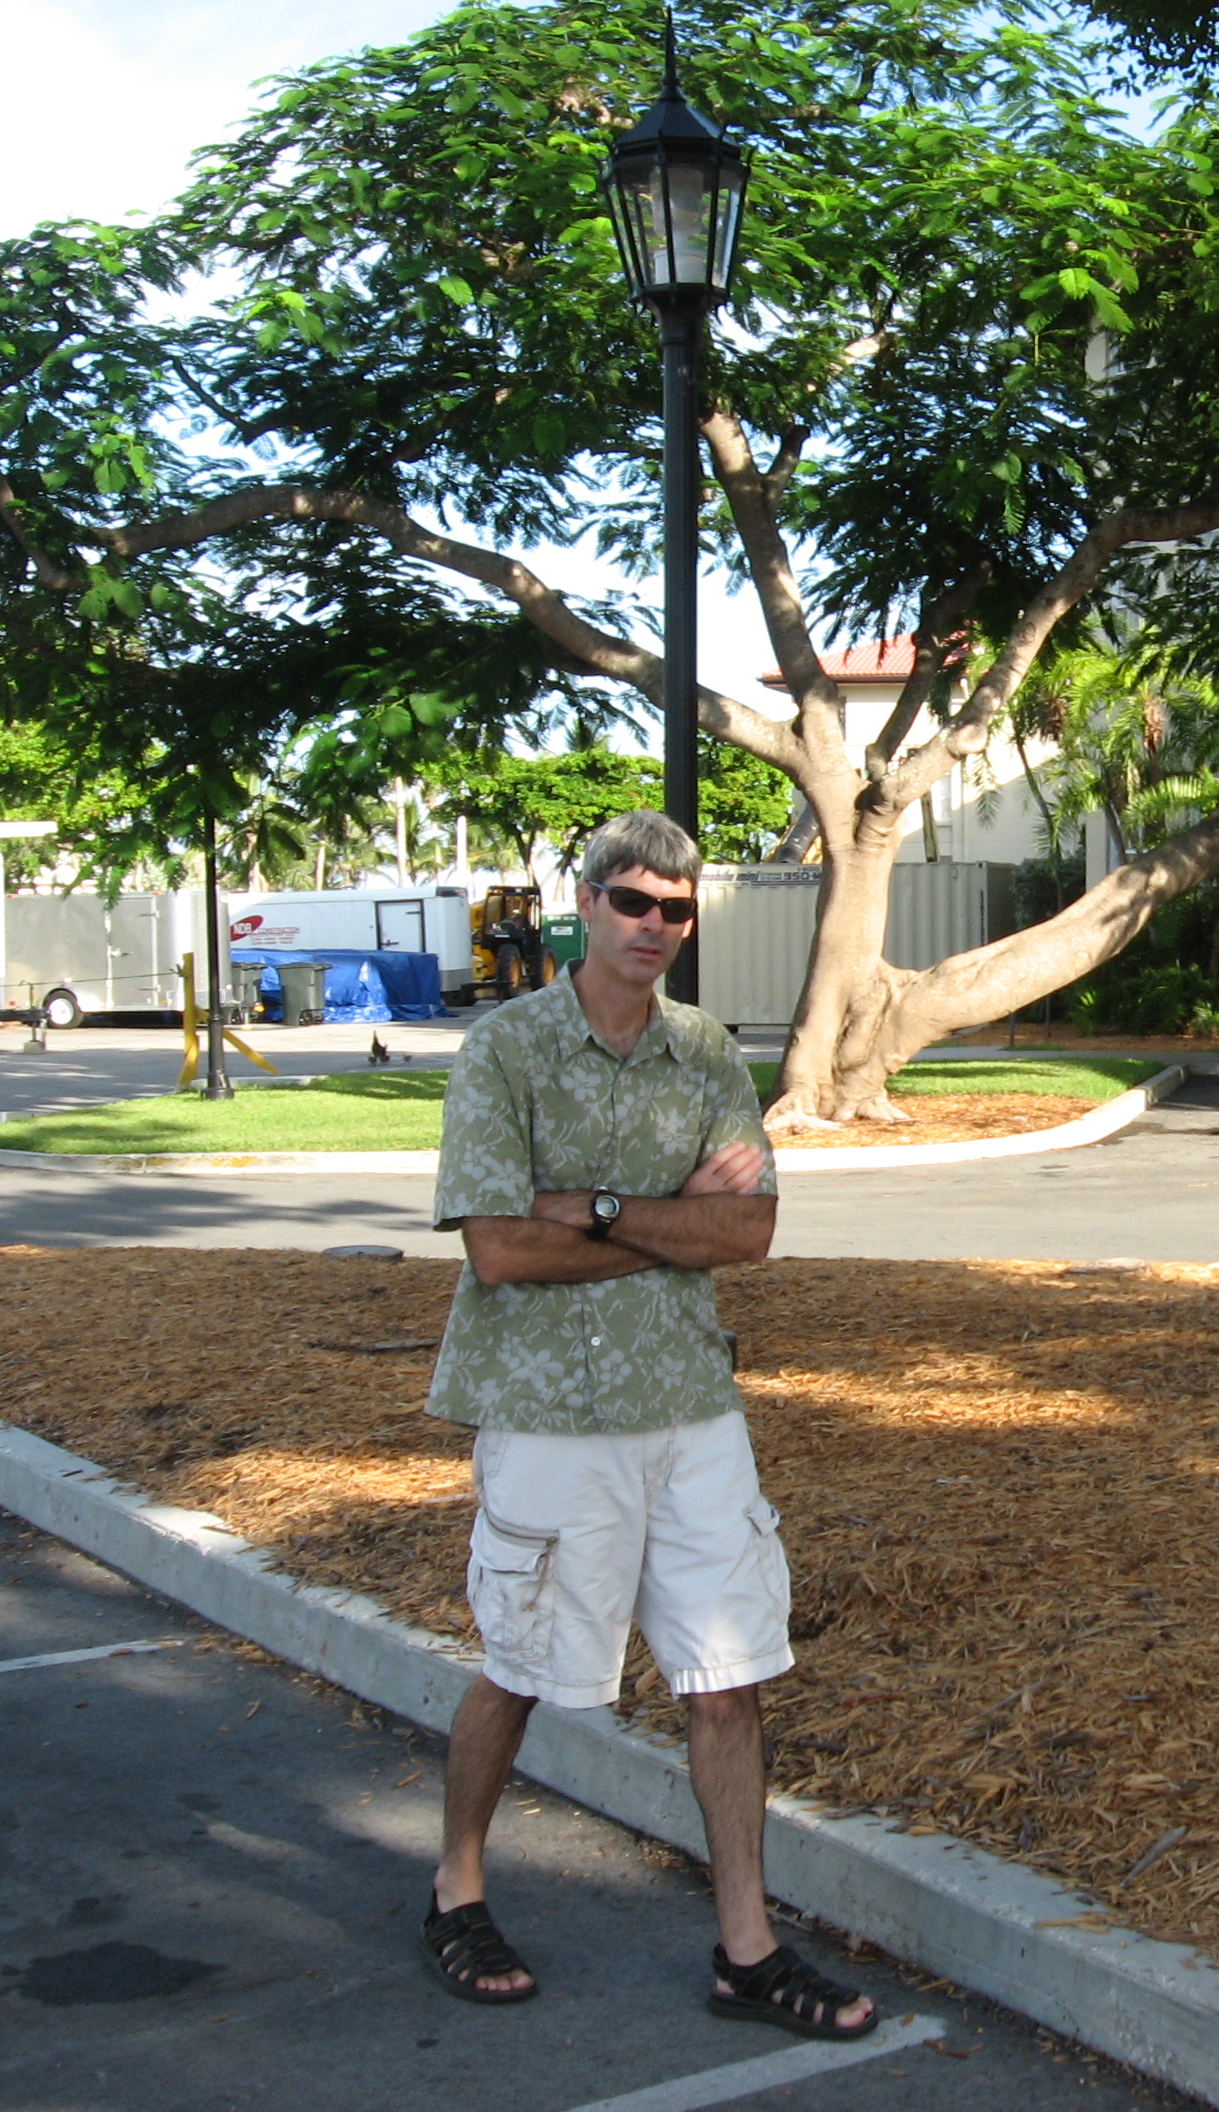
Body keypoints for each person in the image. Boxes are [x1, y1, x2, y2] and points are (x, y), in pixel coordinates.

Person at [416, 809, 873, 2040]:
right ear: (585, 904)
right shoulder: (505, 1052)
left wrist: (601, 1206)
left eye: (676, 909)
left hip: (689, 1407)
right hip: (547, 1412)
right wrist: (668, 1217)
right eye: (632, 902)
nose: (654, 927)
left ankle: (747, 1951)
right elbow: (500, 1250)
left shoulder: (704, 1052)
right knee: (520, 1668)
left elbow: (749, 1231)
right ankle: (456, 1889)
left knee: (728, 1680)